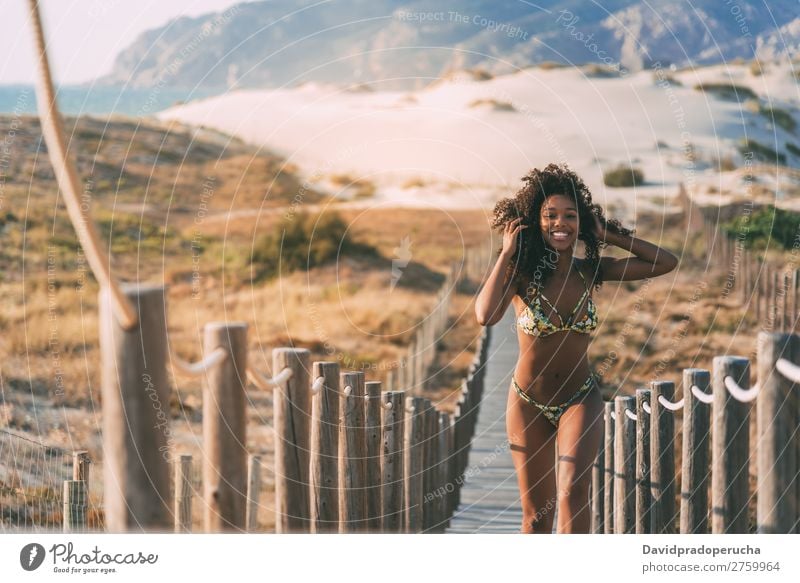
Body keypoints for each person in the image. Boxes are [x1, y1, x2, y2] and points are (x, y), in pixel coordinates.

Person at [474, 162, 678, 533]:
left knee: (572, 493)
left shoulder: (590, 272)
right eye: (550, 215)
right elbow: (486, 315)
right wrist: (506, 253)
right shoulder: (521, 274)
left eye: (570, 216)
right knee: (536, 517)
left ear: (581, 222)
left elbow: (665, 262)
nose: (560, 224)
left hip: (579, 399)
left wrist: (608, 234)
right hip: (527, 403)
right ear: (536, 221)